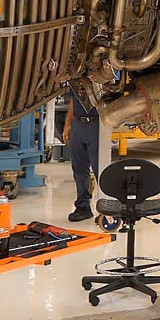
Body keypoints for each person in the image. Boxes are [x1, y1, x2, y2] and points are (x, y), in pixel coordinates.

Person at [64, 83, 99, 223]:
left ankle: (107, 206)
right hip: (78, 124)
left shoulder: (103, 75)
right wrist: (68, 123)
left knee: (100, 168)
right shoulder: (76, 77)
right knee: (78, 169)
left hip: (97, 124)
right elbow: (74, 100)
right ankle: (83, 206)